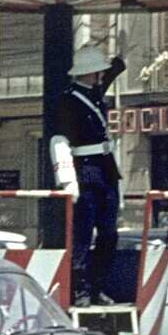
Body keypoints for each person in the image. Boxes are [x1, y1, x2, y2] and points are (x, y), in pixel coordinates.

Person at [50, 43, 127, 307]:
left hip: (106, 169)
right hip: (85, 170)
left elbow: (113, 71)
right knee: (82, 236)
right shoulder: (68, 100)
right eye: (98, 71)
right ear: (89, 73)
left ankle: (97, 287)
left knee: (109, 234)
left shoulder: (95, 93)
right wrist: (67, 179)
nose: (102, 76)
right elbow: (60, 140)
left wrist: (118, 59)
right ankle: (80, 290)